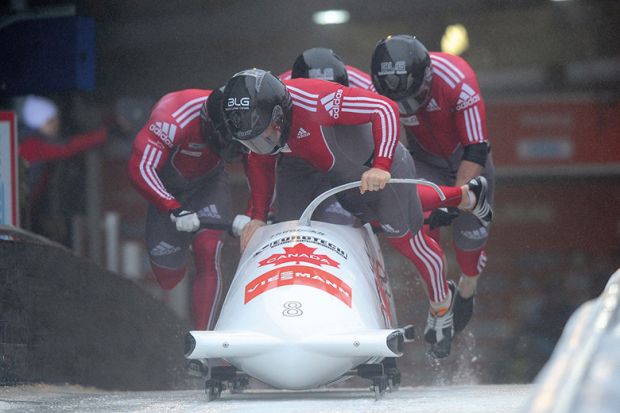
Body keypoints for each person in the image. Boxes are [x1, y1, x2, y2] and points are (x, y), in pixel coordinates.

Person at [218, 69, 492, 358]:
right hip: (338, 174)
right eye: (250, 142)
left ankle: (441, 304)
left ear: (279, 114)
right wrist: (259, 214)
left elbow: (383, 108)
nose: (260, 146)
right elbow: (260, 161)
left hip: (377, 167)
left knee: (405, 239)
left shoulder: (317, 100)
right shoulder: (262, 127)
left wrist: (382, 164)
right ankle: (466, 196)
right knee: (318, 223)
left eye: (262, 137)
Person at [371, 34, 496, 335]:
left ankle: (468, 285)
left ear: (427, 78)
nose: (407, 108)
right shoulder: (375, 90)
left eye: (413, 98)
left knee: (469, 241)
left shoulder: (457, 78)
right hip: (424, 163)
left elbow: (476, 147)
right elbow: (388, 142)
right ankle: (440, 297)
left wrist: (457, 199)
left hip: (467, 159)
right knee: (421, 224)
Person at [127, 88, 236, 332]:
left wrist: (257, 213)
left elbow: (260, 159)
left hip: (209, 183)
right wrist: (172, 207)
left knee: (208, 251)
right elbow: (140, 167)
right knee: (168, 276)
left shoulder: (244, 115)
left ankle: (204, 342)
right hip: (169, 191)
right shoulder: (172, 120)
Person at [18, 95, 107, 243]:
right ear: (37, 123)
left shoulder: (34, 142)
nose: (56, 124)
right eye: (50, 121)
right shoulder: (31, 145)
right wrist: (103, 135)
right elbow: (66, 147)